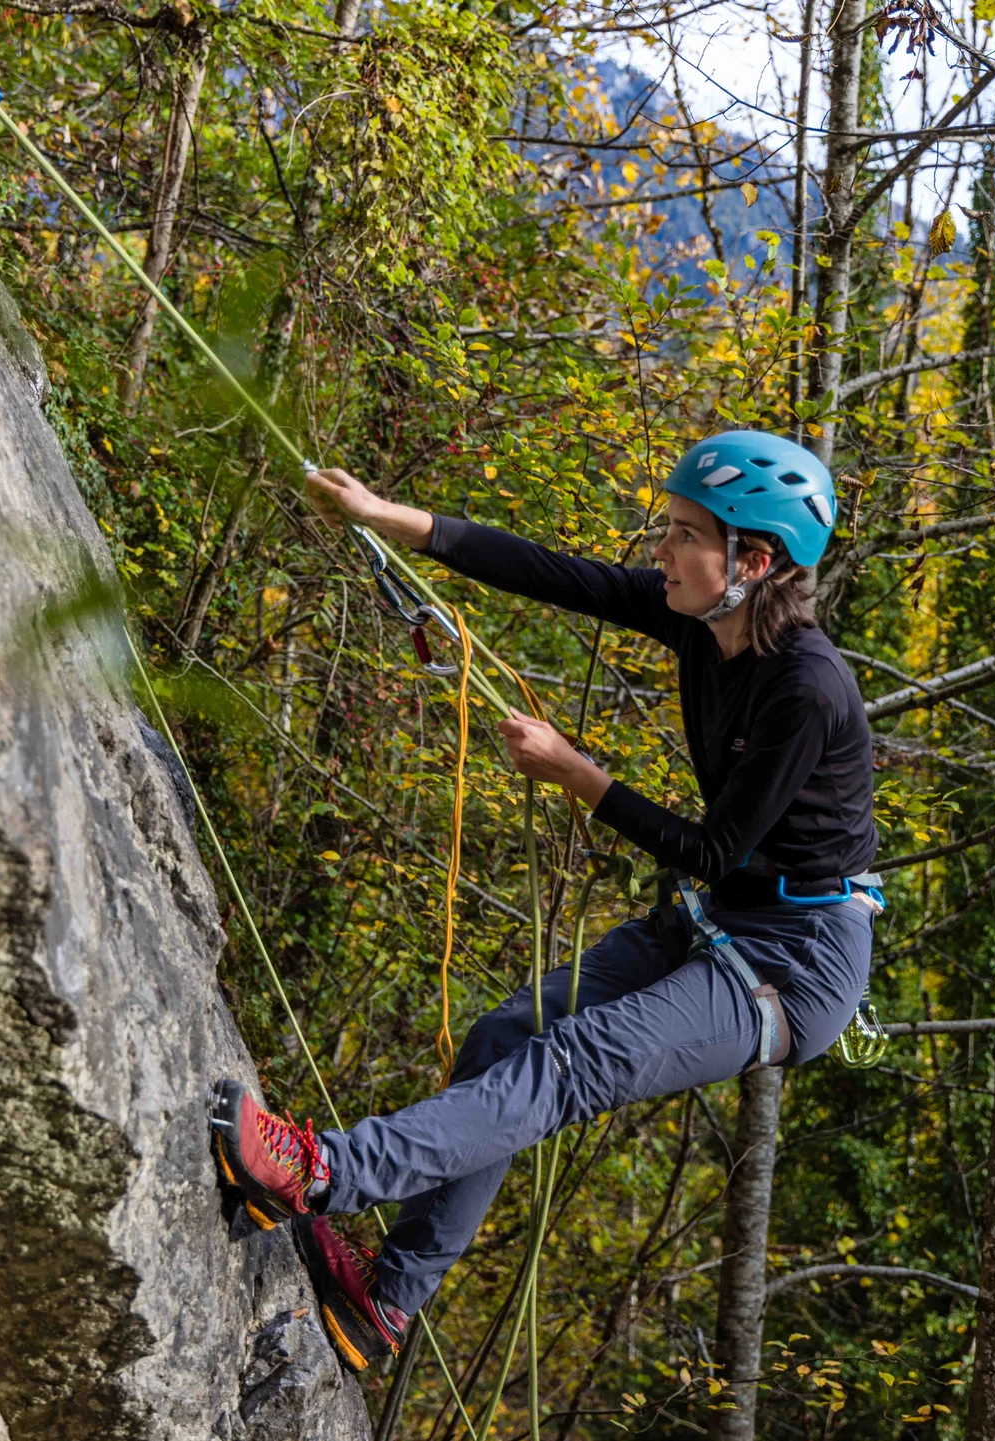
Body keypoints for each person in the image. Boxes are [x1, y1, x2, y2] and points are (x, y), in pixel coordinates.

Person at [208, 431, 880, 1373]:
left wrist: (577, 773)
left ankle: (322, 1171)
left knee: (570, 1060)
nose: (661, 549)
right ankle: (385, 1300)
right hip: (729, 915)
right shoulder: (703, 618)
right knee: (508, 1032)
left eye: (685, 535)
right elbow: (556, 573)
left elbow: (709, 847)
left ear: (753, 562)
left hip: (795, 963)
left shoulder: (807, 689)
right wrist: (381, 516)